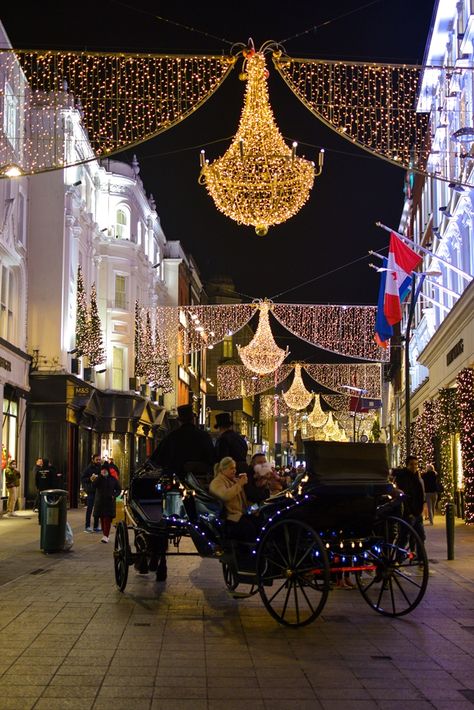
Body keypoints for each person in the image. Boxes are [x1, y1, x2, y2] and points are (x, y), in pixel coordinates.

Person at [149, 404, 215, 482]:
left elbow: (158, 460)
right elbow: (212, 460)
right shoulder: (204, 436)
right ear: (193, 419)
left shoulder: (172, 437)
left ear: (179, 421)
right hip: (199, 480)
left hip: (176, 481)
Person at [210, 457, 256, 542]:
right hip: (230, 518)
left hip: (241, 514)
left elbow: (244, 503)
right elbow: (225, 495)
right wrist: (239, 484)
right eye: (231, 468)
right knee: (249, 527)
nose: (234, 470)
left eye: (235, 468)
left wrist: (256, 508)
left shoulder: (233, 481)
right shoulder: (217, 482)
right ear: (223, 469)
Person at [393, 455, 426, 560]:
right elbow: (404, 497)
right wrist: (408, 512)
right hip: (408, 514)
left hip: (417, 513)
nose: (414, 466)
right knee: (404, 537)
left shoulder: (417, 477)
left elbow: (420, 495)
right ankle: (398, 559)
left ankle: (421, 558)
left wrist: (421, 509)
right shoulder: (403, 477)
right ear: (407, 465)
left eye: (416, 464)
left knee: (421, 536)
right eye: (412, 464)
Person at [91, 462, 121, 543]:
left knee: (107, 519)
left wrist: (114, 495)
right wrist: (99, 477)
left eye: (105, 470)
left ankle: (105, 535)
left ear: (108, 470)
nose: (104, 471)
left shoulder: (113, 479)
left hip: (109, 502)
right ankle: (105, 535)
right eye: (102, 470)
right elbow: (93, 485)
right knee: (102, 518)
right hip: (100, 502)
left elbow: (118, 489)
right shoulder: (99, 479)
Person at [80, 454, 102, 533]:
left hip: (98, 491)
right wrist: (90, 479)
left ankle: (96, 526)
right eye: (97, 460)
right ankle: (87, 526)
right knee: (89, 508)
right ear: (93, 460)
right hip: (91, 491)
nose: (98, 461)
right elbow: (83, 478)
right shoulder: (88, 468)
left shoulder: (100, 467)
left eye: (99, 459)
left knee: (97, 509)